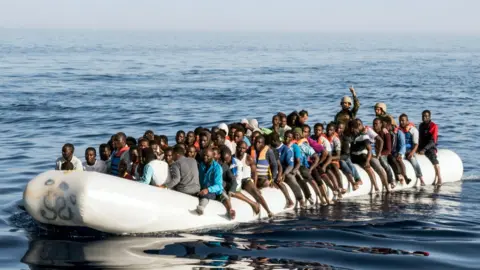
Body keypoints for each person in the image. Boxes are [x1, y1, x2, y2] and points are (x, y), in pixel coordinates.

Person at [220, 146, 264, 216]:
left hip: (237, 182)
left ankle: (253, 203)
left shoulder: (238, 164)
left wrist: (232, 189)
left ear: (230, 155)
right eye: (223, 160)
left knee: (234, 192)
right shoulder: (222, 163)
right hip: (228, 182)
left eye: (227, 159)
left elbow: (237, 179)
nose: (225, 161)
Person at [197, 148, 235, 219]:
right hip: (204, 188)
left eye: (208, 156)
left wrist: (208, 190)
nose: (205, 157)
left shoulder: (217, 168)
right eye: (204, 155)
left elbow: (218, 185)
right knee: (205, 192)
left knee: (224, 197)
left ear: (213, 156)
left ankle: (230, 211)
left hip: (215, 190)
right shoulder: (202, 165)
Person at [355, 119, 390, 192]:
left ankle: (387, 187)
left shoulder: (368, 130)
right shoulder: (355, 132)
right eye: (356, 125)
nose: (358, 126)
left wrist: (378, 155)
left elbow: (380, 140)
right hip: (361, 155)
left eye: (359, 124)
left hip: (371, 154)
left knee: (379, 168)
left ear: (362, 124)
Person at [349, 120, 381, 193]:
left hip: (361, 156)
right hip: (353, 156)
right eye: (351, 128)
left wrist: (367, 161)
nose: (352, 130)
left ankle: (376, 186)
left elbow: (369, 150)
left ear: (357, 128)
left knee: (368, 168)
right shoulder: (350, 136)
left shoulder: (364, 136)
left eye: (354, 128)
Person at [399, 114, 425, 186]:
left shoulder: (413, 130)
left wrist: (412, 152)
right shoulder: (399, 130)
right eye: (400, 121)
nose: (401, 122)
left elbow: (416, 144)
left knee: (413, 160)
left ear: (407, 121)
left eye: (403, 120)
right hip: (401, 150)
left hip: (409, 150)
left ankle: (421, 178)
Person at [418, 110, 442, 186]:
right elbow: (420, 138)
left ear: (429, 117)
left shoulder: (433, 126)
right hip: (421, 146)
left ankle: (439, 178)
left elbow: (433, 141)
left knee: (433, 159)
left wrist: (425, 149)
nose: (424, 117)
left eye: (426, 116)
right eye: (423, 116)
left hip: (430, 147)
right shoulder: (421, 126)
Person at [336, 123, 362, 190]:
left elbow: (346, 154)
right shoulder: (333, 137)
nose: (338, 130)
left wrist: (337, 158)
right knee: (343, 163)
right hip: (337, 157)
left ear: (343, 129)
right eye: (337, 128)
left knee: (347, 161)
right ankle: (353, 182)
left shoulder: (345, 139)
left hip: (343, 156)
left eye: (340, 128)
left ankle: (357, 178)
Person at [373, 118, 396, 189]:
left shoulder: (386, 134)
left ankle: (391, 180)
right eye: (374, 124)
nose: (375, 126)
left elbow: (388, 150)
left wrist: (380, 154)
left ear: (381, 124)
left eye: (377, 124)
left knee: (383, 162)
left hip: (383, 153)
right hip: (374, 153)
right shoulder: (372, 132)